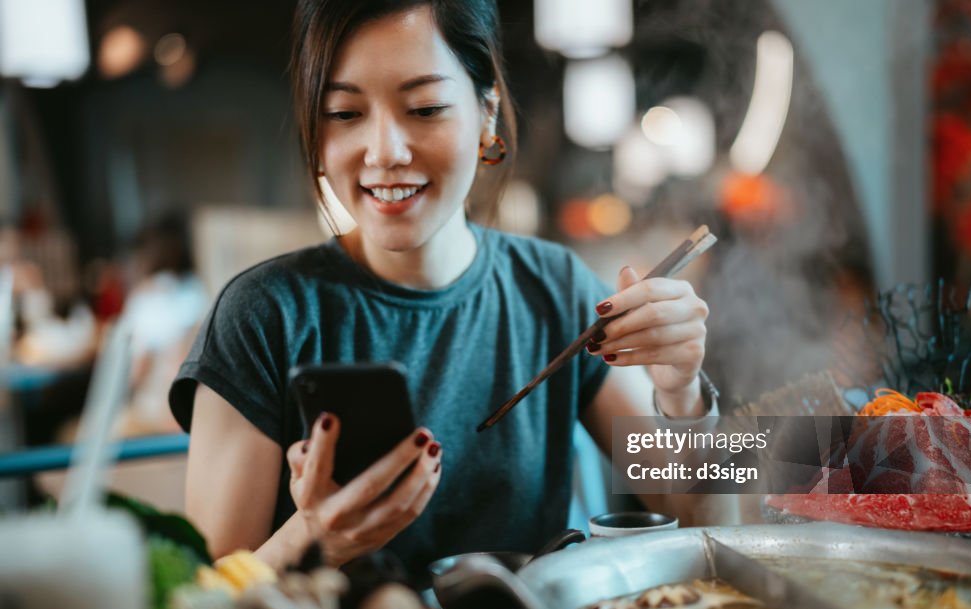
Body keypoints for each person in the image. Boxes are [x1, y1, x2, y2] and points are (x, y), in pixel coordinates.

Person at [170, 0, 713, 576]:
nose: (384, 153)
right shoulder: (261, 315)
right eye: (345, 113)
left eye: (424, 108)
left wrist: (683, 392)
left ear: (487, 114)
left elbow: (701, 510)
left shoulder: (556, 288)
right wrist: (313, 539)